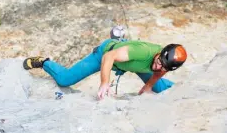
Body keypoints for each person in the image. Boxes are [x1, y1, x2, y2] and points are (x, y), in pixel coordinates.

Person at [23, 26, 187, 100]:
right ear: (159, 53)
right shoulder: (143, 51)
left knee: (163, 89)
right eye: (159, 62)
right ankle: (44, 62)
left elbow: (160, 71)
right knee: (65, 80)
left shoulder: (163, 65)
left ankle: (186, 92)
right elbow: (108, 57)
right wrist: (104, 83)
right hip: (105, 54)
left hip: (134, 64)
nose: (158, 67)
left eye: (164, 67)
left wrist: (148, 87)